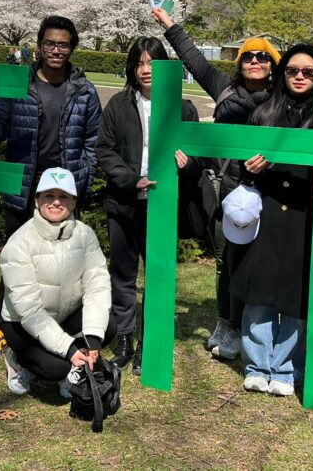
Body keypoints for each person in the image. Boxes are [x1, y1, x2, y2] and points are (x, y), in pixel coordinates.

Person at [0, 15, 101, 364]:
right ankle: (2, 328)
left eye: (63, 44)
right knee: (16, 264)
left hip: (63, 195)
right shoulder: (18, 85)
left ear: (72, 48)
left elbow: (92, 143)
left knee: (63, 268)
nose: (56, 50)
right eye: (50, 43)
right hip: (23, 190)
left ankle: (55, 331)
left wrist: (80, 180)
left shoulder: (84, 91)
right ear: (39, 45)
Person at [152, 7, 281, 361]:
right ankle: (227, 323)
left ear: (272, 64)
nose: (254, 61)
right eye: (248, 57)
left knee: (258, 262)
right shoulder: (225, 90)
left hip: (267, 193)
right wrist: (169, 25)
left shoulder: (282, 99)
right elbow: (194, 59)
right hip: (227, 189)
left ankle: (253, 327)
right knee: (226, 260)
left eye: (262, 57)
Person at [97, 36, 199, 374]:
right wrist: (129, 179)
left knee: (157, 273)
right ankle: (124, 336)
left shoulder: (183, 108)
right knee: (123, 273)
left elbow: (198, 154)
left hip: (164, 205)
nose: (145, 70)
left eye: (152, 62)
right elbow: (105, 150)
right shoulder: (118, 105)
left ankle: (150, 341)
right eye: (139, 63)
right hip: (125, 202)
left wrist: (188, 163)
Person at [234, 43, 313, 397]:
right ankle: (257, 364)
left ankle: (286, 369)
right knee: (259, 292)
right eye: (292, 70)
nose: (300, 77)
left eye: (308, 72)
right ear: (282, 73)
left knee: (295, 296)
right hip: (268, 214)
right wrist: (251, 171)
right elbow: (245, 170)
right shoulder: (262, 113)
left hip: (305, 218)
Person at [0, 167, 114, 396]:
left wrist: (91, 338)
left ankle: (77, 360)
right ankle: (17, 360)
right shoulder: (18, 243)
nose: (56, 202)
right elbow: (29, 310)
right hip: (22, 322)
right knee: (55, 368)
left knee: (106, 328)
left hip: (65, 313)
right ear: (36, 201)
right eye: (49, 196)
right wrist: (68, 348)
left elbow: (97, 285)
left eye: (63, 196)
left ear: (73, 203)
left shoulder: (85, 234)